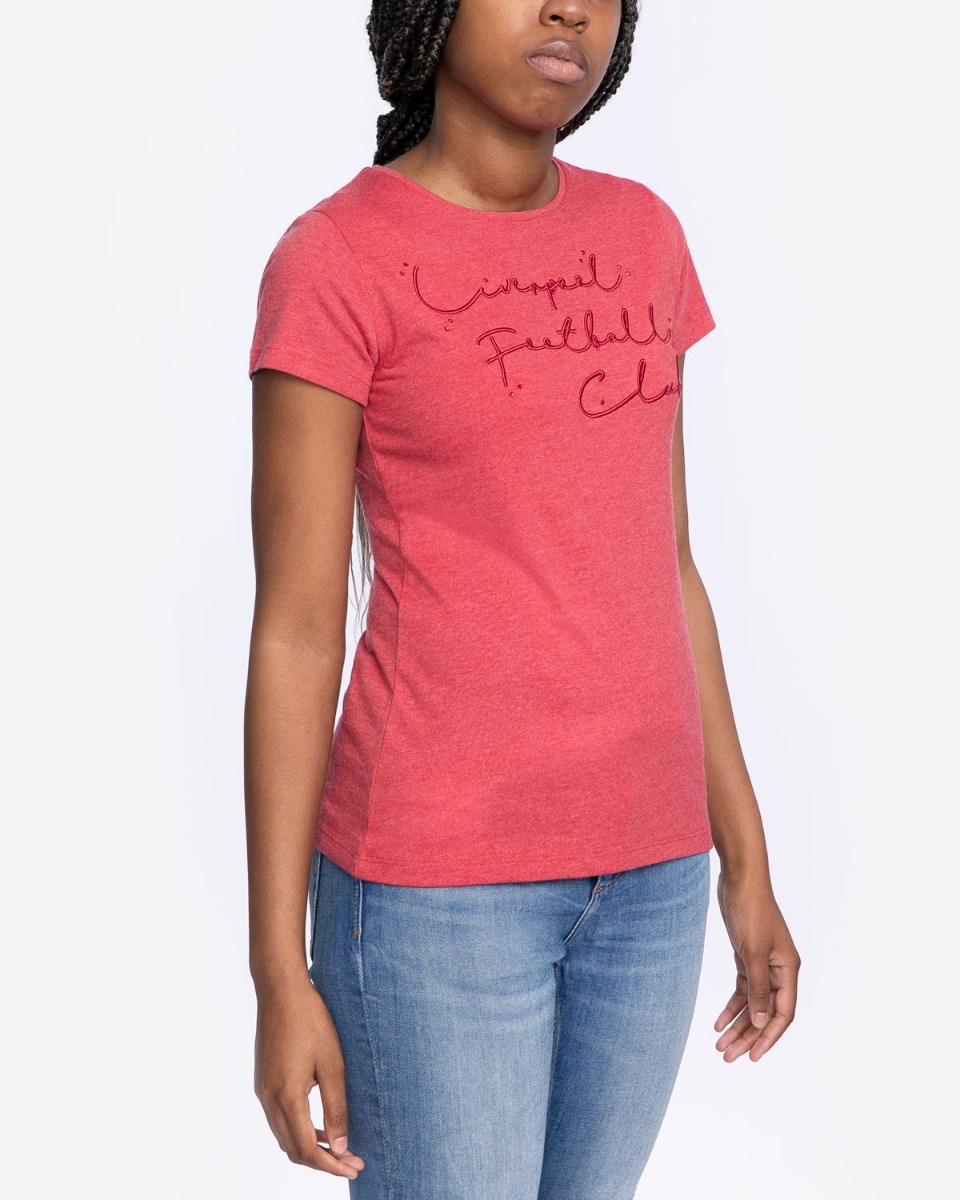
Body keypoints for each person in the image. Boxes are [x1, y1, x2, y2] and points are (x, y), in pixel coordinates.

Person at [244, 2, 801, 1196]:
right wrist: (278, 972)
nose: (570, 9)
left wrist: (744, 861)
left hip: (652, 880)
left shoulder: (644, 235)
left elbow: (670, 563)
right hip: (436, 895)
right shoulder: (336, 259)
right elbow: (296, 632)